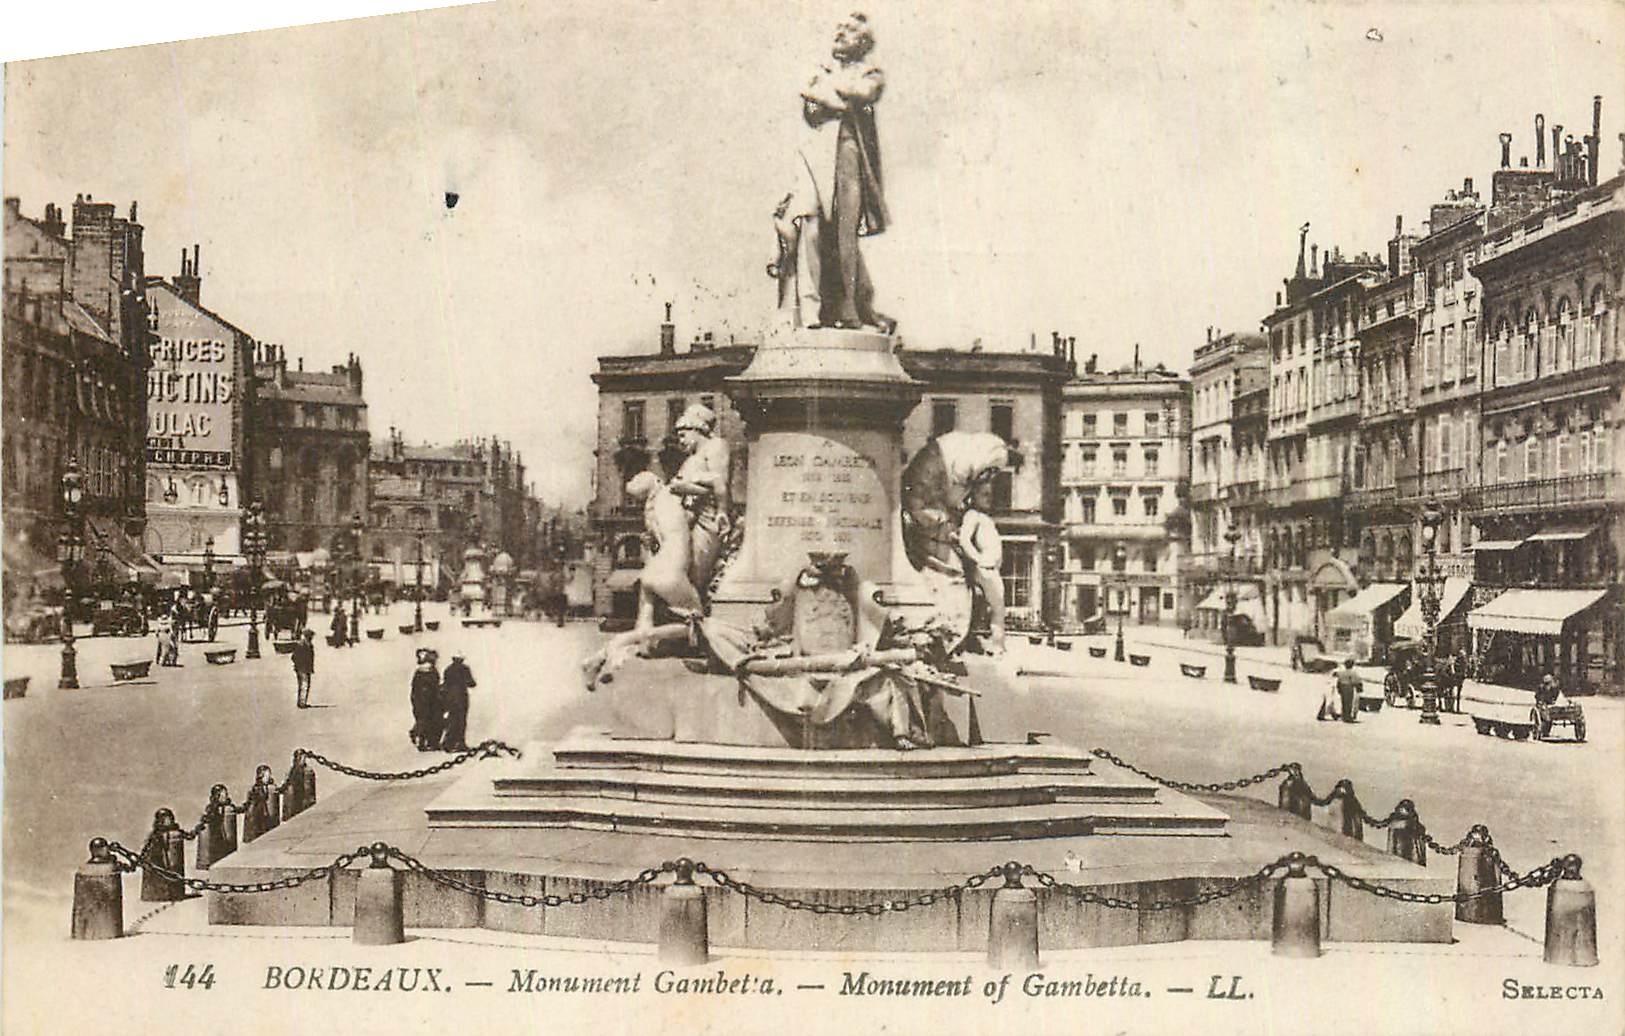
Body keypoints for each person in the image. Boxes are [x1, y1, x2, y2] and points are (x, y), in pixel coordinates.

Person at [779, 12, 890, 329]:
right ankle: (810, 308)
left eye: (849, 30)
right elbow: (812, 110)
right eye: (839, 28)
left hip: (847, 150)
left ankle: (849, 307)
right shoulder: (821, 69)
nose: (840, 34)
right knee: (810, 225)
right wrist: (836, 98)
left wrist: (823, 92)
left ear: (863, 42)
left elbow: (864, 93)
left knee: (845, 232)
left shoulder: (870, 72)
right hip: (814, 153)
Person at [668, 404, 733, 598]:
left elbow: (719, 484)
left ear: (697, 430)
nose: (681, 442)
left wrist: (684, 487)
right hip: (688, 518)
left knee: (695, 574)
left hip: (708, 517)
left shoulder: (716, 446)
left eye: (683, 435)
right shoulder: (692, 458)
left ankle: (695, 610)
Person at [957, 478, 1005, 653]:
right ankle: (997, 647)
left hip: (991, 569)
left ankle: (995, 645)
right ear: (974, 495)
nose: (988, 498)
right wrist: (978, 560)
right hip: (985, 569)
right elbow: (964, 540)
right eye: (984, 494)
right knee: (998, 609)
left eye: (990, 494)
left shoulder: (984, 517)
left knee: (995, 609)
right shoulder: (973, 515)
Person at [439, 652, 476, 752]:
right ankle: (459, 743)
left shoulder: (448, 669)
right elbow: (471, 683)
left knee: (452, 720)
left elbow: (445, 683)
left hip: (450, 698)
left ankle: (448, 743)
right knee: (461, 721)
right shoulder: (464, 669)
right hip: (461, 698)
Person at [409, 648, 442, 751]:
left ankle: (421, 739)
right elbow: (435, 687)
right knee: (429, 720)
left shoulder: (419, 672)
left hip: (419, 700)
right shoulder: (431, 672)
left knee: (423, 720)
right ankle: (426, 740)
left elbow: (415, 688)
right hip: (428, 701)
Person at [291, 629, 316, 708]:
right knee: (304, 685)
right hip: (302, 668)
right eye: (311, 637)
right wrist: (299, 664)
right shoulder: (302, 645)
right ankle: (302, 703)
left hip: (305, 668)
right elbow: (294, 657)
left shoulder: (308, 645)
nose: (311, 638)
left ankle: (301, 702)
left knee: (304, 685)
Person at [1335, 658, 1363, 724]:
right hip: (1349, 687)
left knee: (1343, 702)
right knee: (1349, 702)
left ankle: (1344, 715)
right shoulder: (1353, 673)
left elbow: (1338, 681)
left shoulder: (1341, 672)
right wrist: (1359, 688)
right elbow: (1357, 681)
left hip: (1342, 687)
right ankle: (1348, 716)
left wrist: (1338, 689)